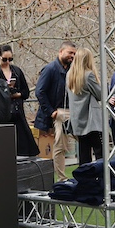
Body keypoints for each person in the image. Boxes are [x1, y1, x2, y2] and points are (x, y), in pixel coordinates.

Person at [36, 41, 76, 179]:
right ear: (60, 52)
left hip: (71, 112)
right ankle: (61, 178)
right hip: (58, 113)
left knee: (84, 139)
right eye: (70, 52)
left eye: (74, 54)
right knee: (59, 146)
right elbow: (40, 92)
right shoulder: (50, 69)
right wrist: (51, 112)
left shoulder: (72, 69)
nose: (72, 56)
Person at [0, 45, 39, 156]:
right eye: (4, 59)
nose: (7, 62)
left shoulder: (16, 71)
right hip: (2, 112)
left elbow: (25, 92)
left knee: (23, 140)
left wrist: (16, 94)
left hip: (17, 111)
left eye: (10, 59)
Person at [67, 46, 104, 165]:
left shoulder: (69, 76)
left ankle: (85, 180)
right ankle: (102, 179)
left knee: (83, 154)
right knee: (100, 153)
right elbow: (101, 94)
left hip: (77, 120)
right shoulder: (88, 76)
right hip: (92, 121)